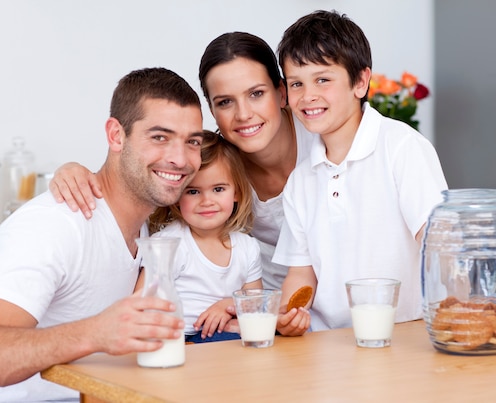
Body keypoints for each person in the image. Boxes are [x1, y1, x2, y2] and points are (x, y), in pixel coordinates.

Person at [270, 10, 496, 338]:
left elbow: (441, 247)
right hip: (328, 343)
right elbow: (301, 273)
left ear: (360, 82)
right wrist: (288, 314)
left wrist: (479, 307)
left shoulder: (401, 147)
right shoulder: (300, 180)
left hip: (404, 336)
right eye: (296, 83)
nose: (308, 96)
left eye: (323, 79)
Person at [0, 67, 205, 402]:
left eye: (193, 142)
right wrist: (95, 333)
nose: (180, 158)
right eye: (159, 137)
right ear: (116, 135)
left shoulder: (148, 225)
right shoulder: (55, 225)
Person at [48, 32, 315, 295]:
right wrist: (72, 170)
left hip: (332, 303)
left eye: (256, 94)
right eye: (225, 102)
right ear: (212, 110)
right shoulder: (214, 163)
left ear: (282, 94)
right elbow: (138, 172)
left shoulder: (320, 137)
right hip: (257, 309)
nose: (243, 114)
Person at [149, 131, 262, 343]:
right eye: (192, 192)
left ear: (236, 192)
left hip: (228, 333)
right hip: (184, 338)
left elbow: (256, 305)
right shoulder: (169, 245)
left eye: (218, 189)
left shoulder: (247, 247)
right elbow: (144, 305)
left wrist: (229, 304)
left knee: (269, 332)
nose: (206, 201)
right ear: (175, 195)